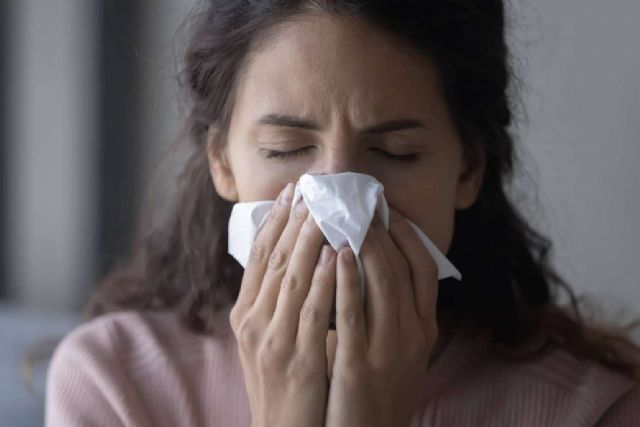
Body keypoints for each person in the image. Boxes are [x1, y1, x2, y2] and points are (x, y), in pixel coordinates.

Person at [45, 0, 640, 426]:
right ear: (222, 162)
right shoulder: (116, 387)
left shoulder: (594, 409)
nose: (336, 209)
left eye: (393, 153)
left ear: (467, 171)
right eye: (286, 150)